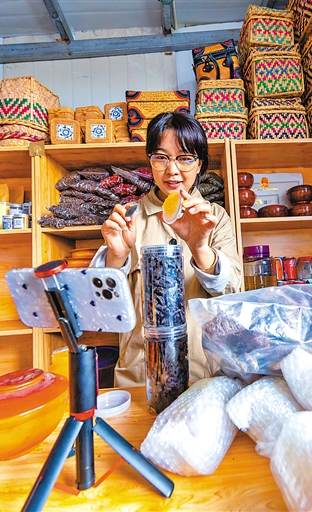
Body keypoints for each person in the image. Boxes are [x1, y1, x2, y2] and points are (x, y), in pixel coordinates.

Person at [90, 111, 243, 387]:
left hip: (204, 377)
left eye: (185, 158)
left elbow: (233, 292)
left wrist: (199, 247)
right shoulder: (128, 218)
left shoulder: (216, 218)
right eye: (161, 157)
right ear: (150, 161)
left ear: (199, 164)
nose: (172, 170)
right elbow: (101, 307)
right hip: (140, 378)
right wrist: (116, 256)